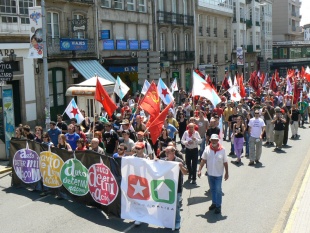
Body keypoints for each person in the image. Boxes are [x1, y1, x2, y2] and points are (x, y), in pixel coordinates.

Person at [198, 134, 229, 215]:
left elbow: (225, 162)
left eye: (215, 140)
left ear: (218, 141)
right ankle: (214, 203)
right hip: (210, 173)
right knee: (212, 189)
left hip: (218, 174)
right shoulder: (207, 149)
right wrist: (199, 169)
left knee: (218, 190)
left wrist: (227, 173)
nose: (214, 141)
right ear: (210, 141)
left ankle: (218, 206)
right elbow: (203, 160)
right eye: (212, 140)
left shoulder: (223, 150)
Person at [164, 145, 188, 230]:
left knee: (177, 205)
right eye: (165, 152)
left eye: (168, 152)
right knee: (167, 204)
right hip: (167, 187)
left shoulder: (179, 161)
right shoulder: (164, 161)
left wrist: (181, 167)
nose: (166, 154)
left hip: (177, 187)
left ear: (173, 152)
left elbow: (186, 173)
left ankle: (177, 220)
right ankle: (169, 221)